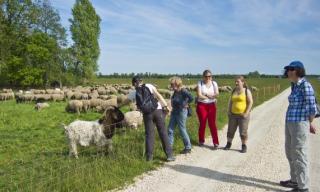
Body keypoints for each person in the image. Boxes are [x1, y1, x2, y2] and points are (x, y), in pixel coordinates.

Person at [280, 61, 317, 192]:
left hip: (299, 124)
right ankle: (295, 180)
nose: (288, 71)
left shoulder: (305, 86)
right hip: (290, 123)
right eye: (288, 69)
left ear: (298, 71)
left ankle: (303, 187)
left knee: (299, 154)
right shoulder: (294, 86)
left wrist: (309, 123)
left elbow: (312, 109)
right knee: (290, 152)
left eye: (291, 69)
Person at [125, 76, 175, 162]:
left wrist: (117, 107)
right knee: (163, 132)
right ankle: (169, 155)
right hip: (157, 111)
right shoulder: (149, 86)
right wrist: (166, 106)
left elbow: (125, 101)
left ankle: (149, 157)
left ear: (133, 84)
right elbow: (158, 96)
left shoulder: (134, 92)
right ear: (142, 81)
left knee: (149, 135)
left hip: (147, 114)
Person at [224, 76, 253, 153]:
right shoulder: (234, 91)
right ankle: (228, 144)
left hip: (243, 115)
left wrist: (246, 113)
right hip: (233, 114)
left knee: (243, 131)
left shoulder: (246, 91)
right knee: (230, 130)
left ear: (243, 82)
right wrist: (229, 111)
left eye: (238, 81)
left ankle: (244, 146)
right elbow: (230, 101)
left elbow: (250, 102)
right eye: (235, 82)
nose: (236, 83)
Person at [167, 76, 193, 154]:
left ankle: (188, 147)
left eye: (172, 84)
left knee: (182, 129)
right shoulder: (175, 91)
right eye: (171, 84)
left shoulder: (183, 91)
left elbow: (191, 97)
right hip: (174, 111)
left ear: (177, 84)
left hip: (181, 112)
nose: (171, 86)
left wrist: (186, 103)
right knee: (170, 129)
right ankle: (169, 147)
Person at [196, 70, 220, 149]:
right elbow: (199, 95)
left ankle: (216, 142)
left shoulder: (214, 83)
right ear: (203, 77)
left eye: (209, 76)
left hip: (211, 105)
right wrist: (209, 96)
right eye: (206, 76)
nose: (208, 78)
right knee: (202, 122)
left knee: (212, 124)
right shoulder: (200, 83)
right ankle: (201, 140)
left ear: (211, 77)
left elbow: (217, 94)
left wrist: (208, 96)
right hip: (202, 105)